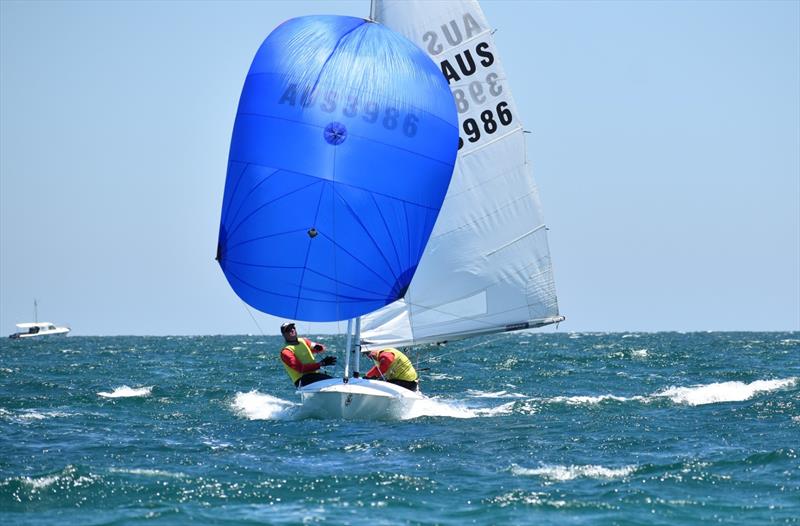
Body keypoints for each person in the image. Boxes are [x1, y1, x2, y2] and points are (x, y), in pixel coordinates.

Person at [279, 322, 337, 387]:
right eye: (288, 330)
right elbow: (301, 369)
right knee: (332, 384)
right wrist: (322, 363)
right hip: (302, 380)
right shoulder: (286, 351)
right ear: (284, 334)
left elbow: (320, 347)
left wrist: (319, 347)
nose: (292, 330)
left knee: (335, 382)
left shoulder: (303, 341)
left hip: (314, 376)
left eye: (293, 328)